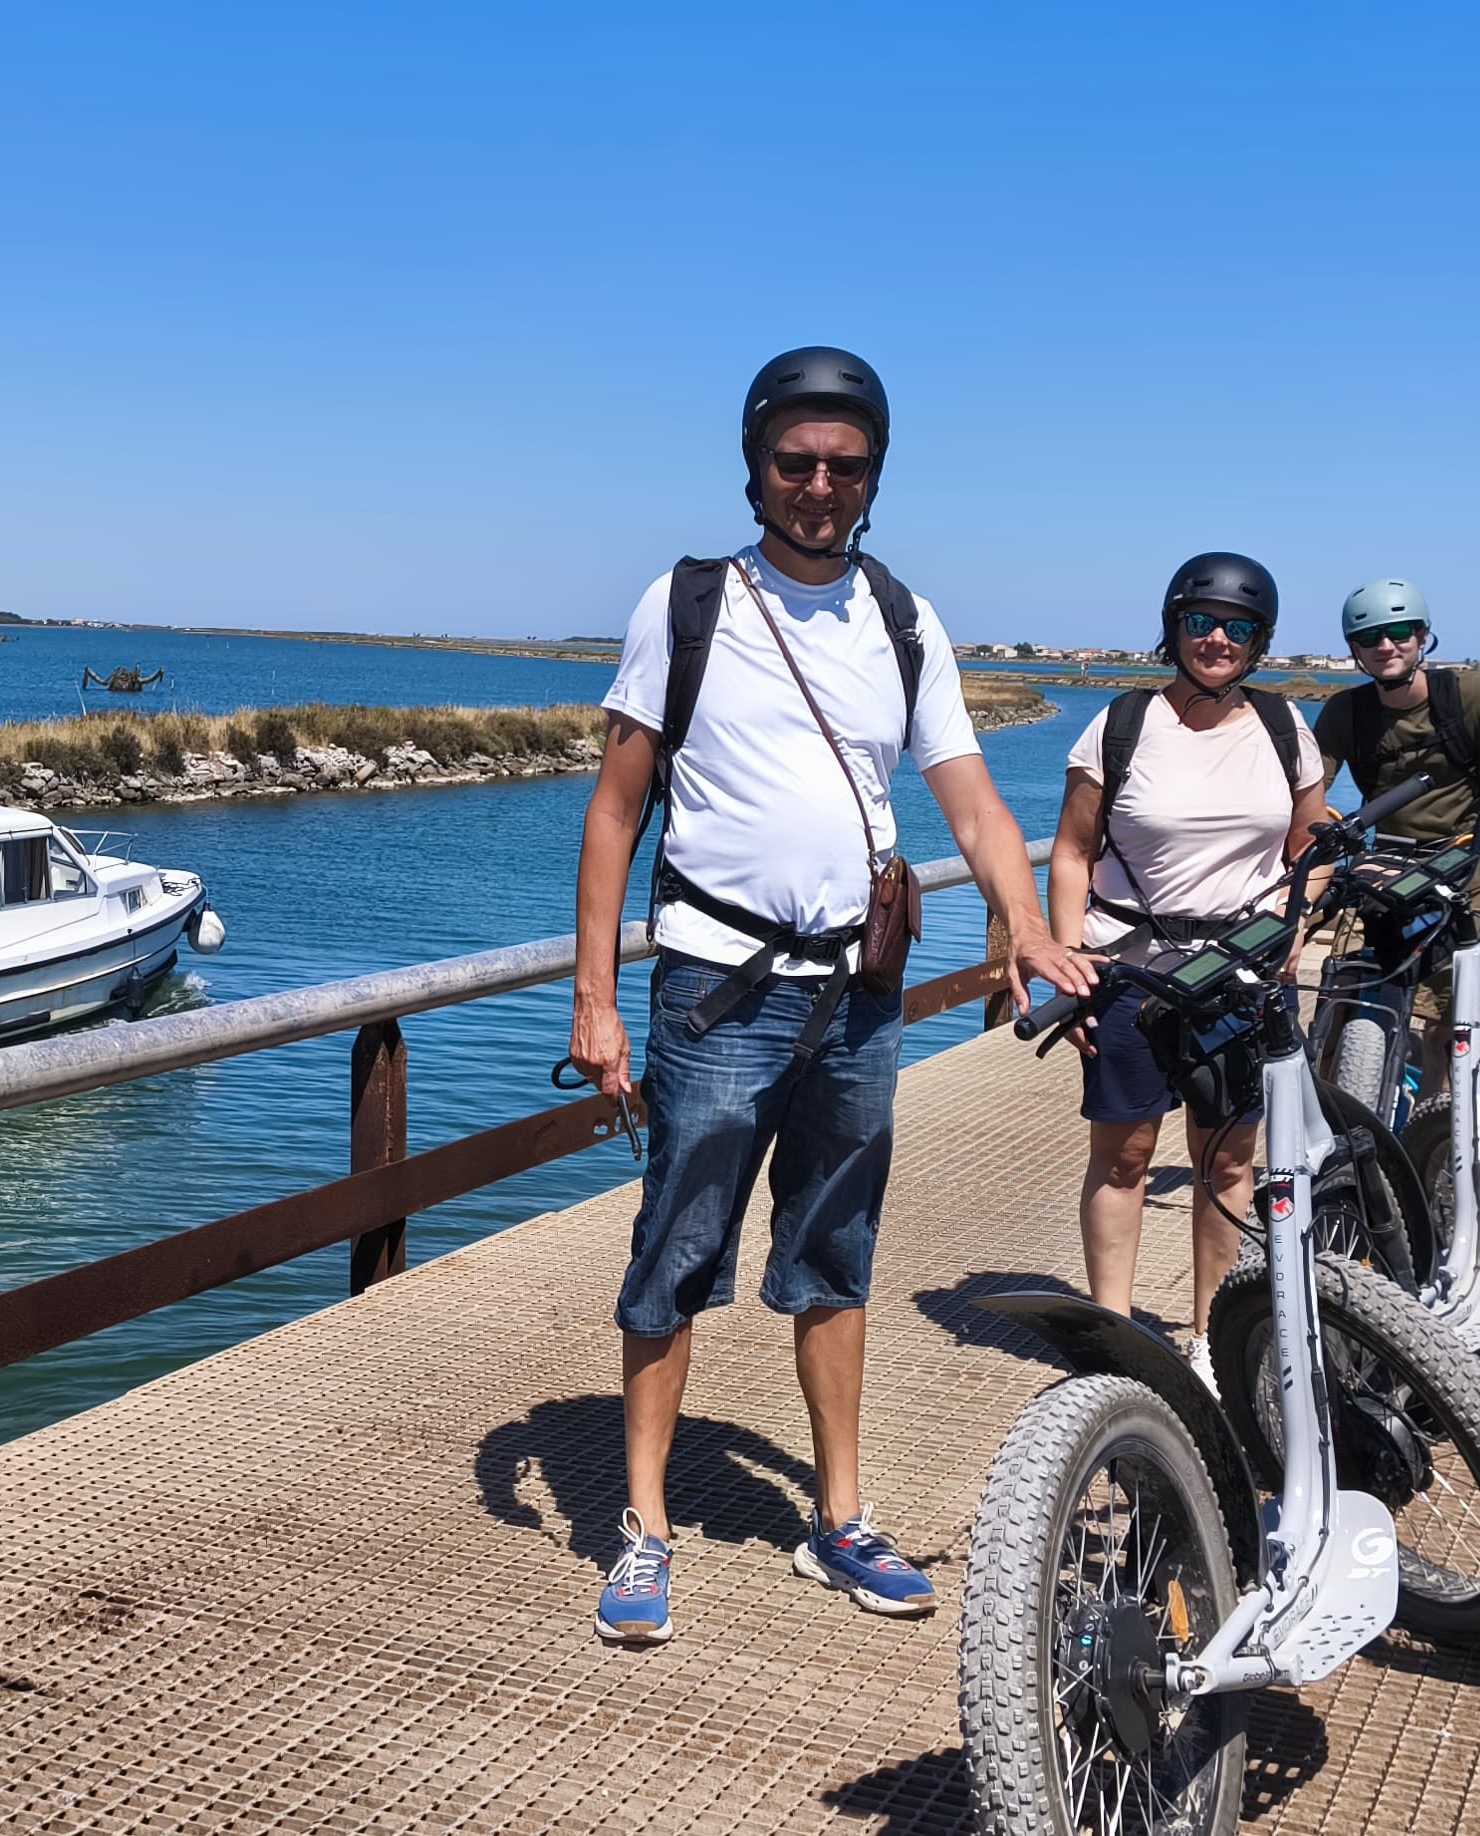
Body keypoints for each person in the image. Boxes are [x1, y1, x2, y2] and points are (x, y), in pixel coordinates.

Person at [567, 346, 1083, 1647]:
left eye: (844, 467)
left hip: (856, 994)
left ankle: (840, 1519)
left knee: (835, 1260)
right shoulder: (686, 606)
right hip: (712, 992)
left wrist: (1023, 918)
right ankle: (641, 1527)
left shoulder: (902, 620)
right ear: (754, 465)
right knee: (678, 1257)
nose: (818, 485)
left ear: (874, 478)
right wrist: (595, 1000)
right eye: (795, 462)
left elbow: (967, 794)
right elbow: (618, 808)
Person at [1043, 553, 1332, 1346]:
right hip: (1130, 966)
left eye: (1237, 628)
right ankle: (1118, 1334)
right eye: (1199, 622)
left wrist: (1294, 923)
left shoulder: (1282, 728)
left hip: (1241, 973)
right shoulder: (1124, 725)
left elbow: (1313, 849)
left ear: (1259, 642)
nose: (1216, 639)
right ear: (1173, 628)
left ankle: (1209, 1339)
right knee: (1125, 1155)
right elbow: (1072, 852)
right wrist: (1069, 963)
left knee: (1229, 1162)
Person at [1308, 580, 1480, 1075]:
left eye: (1400, 631)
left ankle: (1435, 1127)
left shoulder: (1469, 695)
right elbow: (1310, 795)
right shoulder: (1346, 712)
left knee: (1450, 1009)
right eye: (1370, 637)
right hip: (1386, 861)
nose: (1386, 645)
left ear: (1423, 636)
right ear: (1354, 649)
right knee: (1345, 983)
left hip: (1467, 860)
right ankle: (1340, 1108)